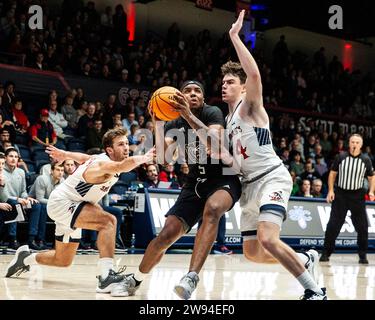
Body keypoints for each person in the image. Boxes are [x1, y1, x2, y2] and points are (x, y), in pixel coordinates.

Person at [220, 10, 326, 300]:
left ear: (243, 87)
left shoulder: (250, 107)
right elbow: (235, 162)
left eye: (230, 81)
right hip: (248, 188)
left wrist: (234, 37)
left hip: (271, 179)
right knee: (253, 253)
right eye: (223, 82)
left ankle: (314, 291)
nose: (224, 85)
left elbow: (254, 73)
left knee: (269, 238)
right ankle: (304, 260)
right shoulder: (228, 123)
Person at [110, 80, 241, 299]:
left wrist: (189, 115)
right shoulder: (174, 123)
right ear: (177, 97)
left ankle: (191, 277)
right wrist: (158, 121)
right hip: (195, 183)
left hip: (223, 178)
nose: (192, 93)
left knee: (213, 208)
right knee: (166, 235)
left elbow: (215, 144)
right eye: (187, 91)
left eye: (197, 90)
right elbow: (164, 157)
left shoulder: (212, 112)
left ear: (203, 97)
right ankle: (136, 280)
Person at [5, 128, 155, 295]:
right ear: (109, 150)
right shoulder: (103, 164)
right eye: (121, 144)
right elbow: (122, 166)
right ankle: (106, 276)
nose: (126, 148)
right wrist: (144, 158)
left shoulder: (99, 159)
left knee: (62, 260)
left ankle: (25, 258)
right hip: (63, 203)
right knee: (109, 222)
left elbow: (85, 157)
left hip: (74, 204)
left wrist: (65, 154)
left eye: (127, 143)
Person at [320, 134, 375, 264]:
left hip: (357, 196)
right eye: (352, 142)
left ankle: (363, 255)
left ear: (361, 145)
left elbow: (372, 177)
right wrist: (331, 191)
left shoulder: (366, 159)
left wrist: (371, 191)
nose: (354, 144)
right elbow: (332, 174)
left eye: (357, 142)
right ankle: (326, 252)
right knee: (333, 224)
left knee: (362, 227)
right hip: (341, 195)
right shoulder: (341, 157)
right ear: (349, 143)